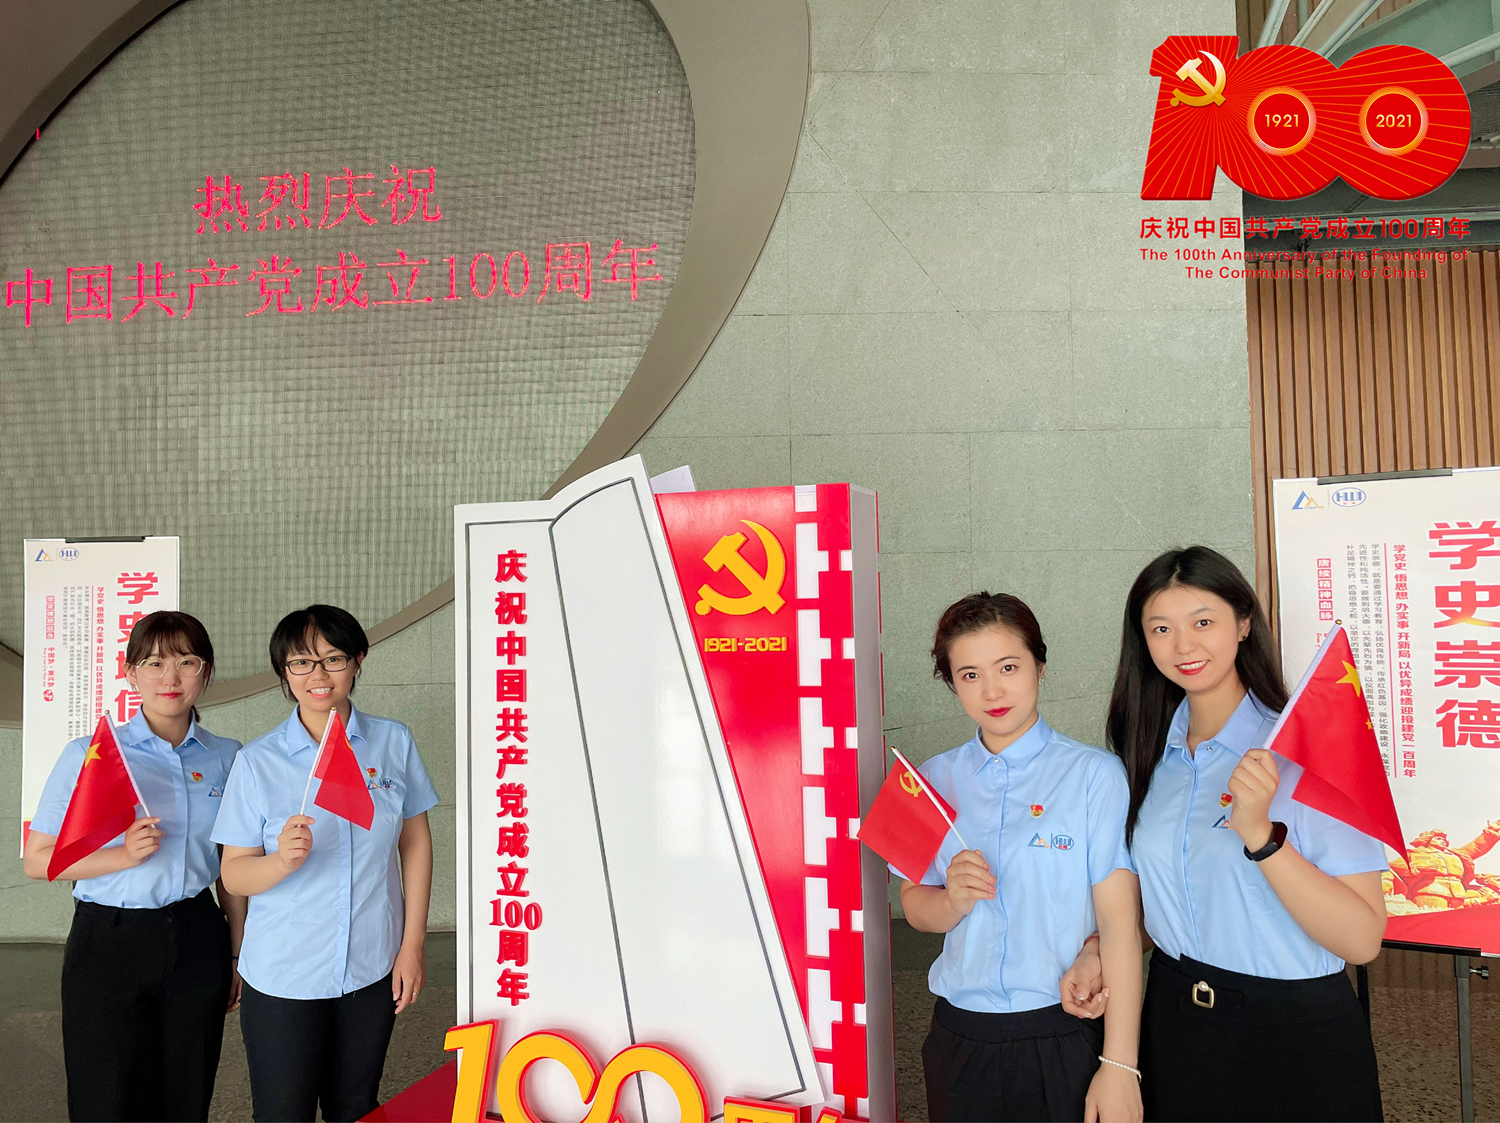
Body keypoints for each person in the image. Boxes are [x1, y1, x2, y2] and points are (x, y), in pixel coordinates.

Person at [1084, 546, 1387, 1121]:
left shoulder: (1306, 753)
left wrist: (1262, 837)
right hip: (1176, 1026)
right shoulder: (1148, 759)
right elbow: (1166, 906)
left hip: (1296, 1037)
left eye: (1203, 622)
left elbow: (1362, 939)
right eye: (1161, 629)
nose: (1183, 646)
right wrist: (1097, 951)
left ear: (1243, 623)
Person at [899, 592, 1143, 1123]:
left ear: (1040, 665)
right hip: (959, 1035)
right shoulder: (928, 780)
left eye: (1008, 667)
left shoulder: (1093, 775)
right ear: (952, 683)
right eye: (969, 675)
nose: (992, 691)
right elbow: (915, 907)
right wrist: (952, 901)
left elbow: (1120, 927)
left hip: (1061, 1032)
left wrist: (1120, 1065)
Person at [214, 604, 438, 1123]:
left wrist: (412, 946)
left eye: (333, 658)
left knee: (356, 1107)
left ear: (358, 660)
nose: (318, 675)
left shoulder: (392, 742)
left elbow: (415, 843)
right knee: (282, 1112)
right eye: (301, 663)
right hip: (284, 974)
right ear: (284, 672)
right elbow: (234, 874)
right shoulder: (258, 761)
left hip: (371, 963)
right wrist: (280, 862)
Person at [23, 611, 244, 1122]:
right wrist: (121, 856)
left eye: (187, 662)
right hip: (110, 940)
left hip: (198, 933)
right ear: (130, 674)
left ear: (206, 672)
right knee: (107, 1097)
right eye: (154, 663)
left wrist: (237, 953)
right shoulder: (93, 755)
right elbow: (38, 860)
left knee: (186, 1095)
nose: (171, 678)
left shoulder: (229, 758)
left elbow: (230, 868)